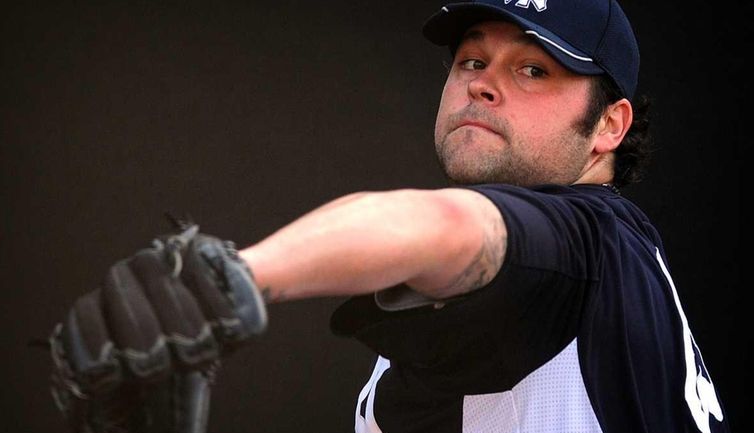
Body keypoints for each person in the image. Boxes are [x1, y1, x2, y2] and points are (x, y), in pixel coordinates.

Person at [49, 1, 730, 432]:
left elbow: (450, 228)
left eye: (534, 70)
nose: (483, 81)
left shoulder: (583, 242)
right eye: (472, 58)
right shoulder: (605, 279)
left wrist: (239, 278)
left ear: (610, 124)